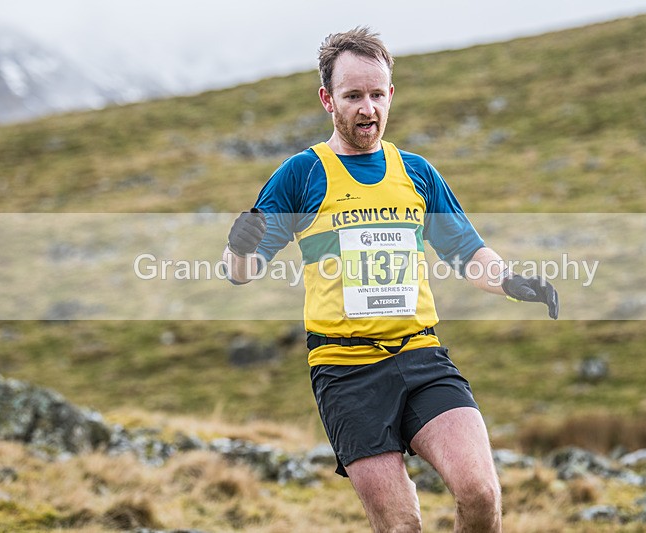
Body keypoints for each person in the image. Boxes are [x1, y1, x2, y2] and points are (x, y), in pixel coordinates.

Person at [223, 27, 558, 533]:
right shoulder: (301, 174)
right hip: (346, 372)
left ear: (391, 96)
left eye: (377, 95)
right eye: (353, 95)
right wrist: (240, 245)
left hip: (422, 357)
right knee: (403, 528)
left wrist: (513, 281)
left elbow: (466, 252)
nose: (367, 108)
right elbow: (240, 273)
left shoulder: (417, 172)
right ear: (327, 99)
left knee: (482, 493)